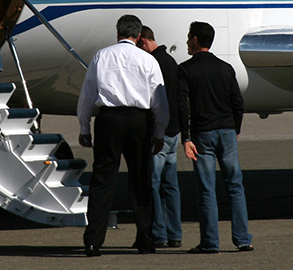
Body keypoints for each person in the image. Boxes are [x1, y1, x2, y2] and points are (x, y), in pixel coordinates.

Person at [77, 14, 169, 256]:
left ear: (117, 33)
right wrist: (159, 132)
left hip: (109, 120)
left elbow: (87, 95)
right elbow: (159, 101)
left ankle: (93, 241)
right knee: (141, 180)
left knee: (103, 180)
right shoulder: (147, 60)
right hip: (140, 121)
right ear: (138, 36)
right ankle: (146, 240)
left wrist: (84, 127)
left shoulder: (101, 56)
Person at [178, 21, 253, 253]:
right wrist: (235, 128)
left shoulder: (185, 70)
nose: (187, 42)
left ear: (196, 40)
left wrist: (185, 137)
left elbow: (182, 106)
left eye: (189, 37)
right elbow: (237, 103)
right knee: (235, 185)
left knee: (206, 189)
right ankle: (242, 238)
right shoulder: (225, 68)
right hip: (227, 131)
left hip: (203, 134)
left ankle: (210, 241)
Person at [138, 25, 182, 248]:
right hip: (174, 131)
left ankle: (159, 233)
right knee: (171, 186)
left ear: (144, 42)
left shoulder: (153, 63)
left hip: (160, 132)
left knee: (152, 184)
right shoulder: (171, 61)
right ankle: (175, 233)